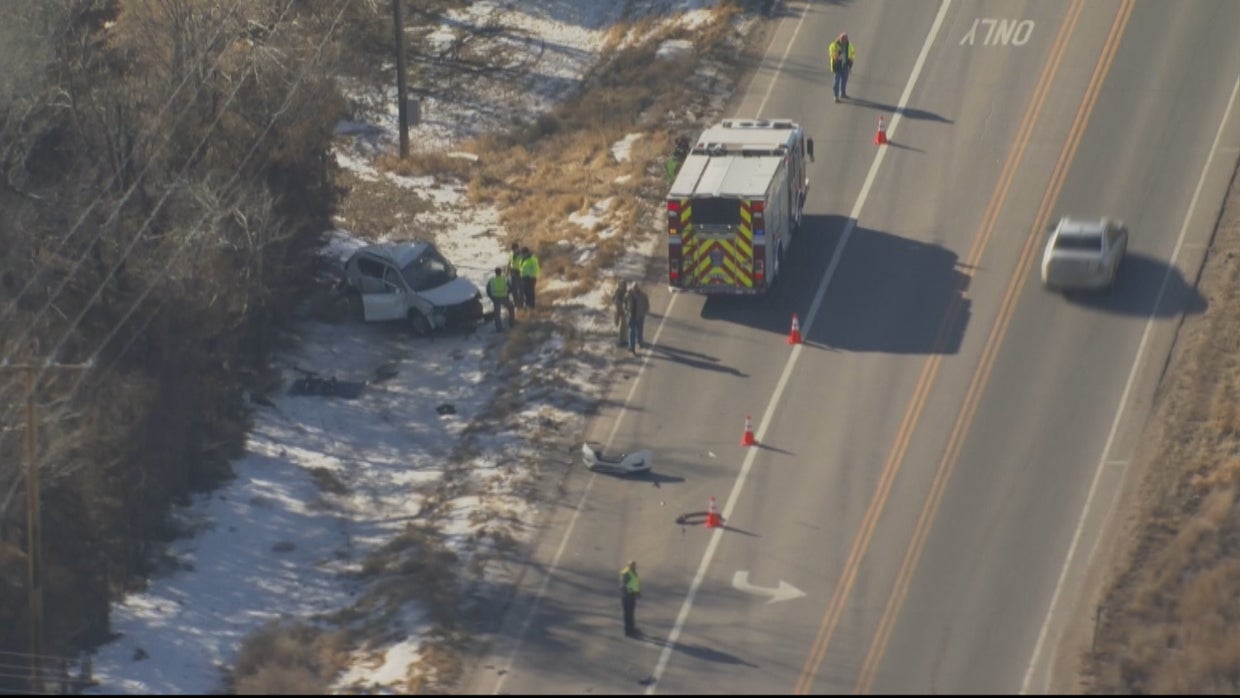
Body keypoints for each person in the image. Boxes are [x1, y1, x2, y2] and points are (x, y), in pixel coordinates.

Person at [828, 32, 856, 103]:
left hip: (845, 66)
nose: (844, 41)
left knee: (844, 81)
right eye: (842, 39)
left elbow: (852, 53)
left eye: (845, 39)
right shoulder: (834, 45)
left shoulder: (849, 45)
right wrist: (838, 53)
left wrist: (851, 61)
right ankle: (836, 96)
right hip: (837, 67)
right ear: (839, 38)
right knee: (836, 82)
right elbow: (832, 55)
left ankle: (843, 93)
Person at [486, 266, 515, 331]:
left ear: (495, 272)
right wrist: (507, 294)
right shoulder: (505, 279)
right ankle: (512, 323)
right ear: (501, 272)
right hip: (504, 298)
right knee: (511, 308)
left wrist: (492, 297)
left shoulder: (492, 280)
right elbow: (511, 288)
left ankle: (499, 328)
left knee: (497, 314)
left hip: (496, 299)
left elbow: (488, 290)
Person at [625, 284, 650, 354]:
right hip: (631, 316)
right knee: (631, 331)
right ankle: (631, 346)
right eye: (634, 288)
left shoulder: (643, 295)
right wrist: (626, 311)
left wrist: (645, 312)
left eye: (636, 288)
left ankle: (639, 341)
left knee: (639, 330)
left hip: (640, 316)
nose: (635, 290)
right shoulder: (628, 295)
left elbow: (647, 304)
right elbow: (624, 303)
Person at [620, 560, 641, 637]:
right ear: (628, 566)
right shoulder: (626, 573)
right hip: (627, 597)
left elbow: (635, 583)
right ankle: (628, 631)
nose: (634, 567)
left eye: (634, 565)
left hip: (632, 596)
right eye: (632, 565)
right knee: (628, 614)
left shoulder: (633, 572)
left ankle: (632, 628)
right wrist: (633, 592)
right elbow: (625, 585)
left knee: (631, 613)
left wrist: (638, 592)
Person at [519, 246, 540, 310]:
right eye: (522, 253)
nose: (522, 255)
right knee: (525, 292)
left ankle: (531, 306)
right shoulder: (522, 259)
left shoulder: (532, 259)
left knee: (530, 292)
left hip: (530, 279)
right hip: (523, 278)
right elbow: (522, 268)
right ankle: (527, 305)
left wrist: (530, 276)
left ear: (527, 253)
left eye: (523, 253)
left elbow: (536, 269)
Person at [508, 242, 526, 308]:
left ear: (517, 248)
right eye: (512, 249)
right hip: (513, 273)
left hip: (520, 273)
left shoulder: (521, 255)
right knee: (514, 289)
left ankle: (521, 303)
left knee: (521, 289)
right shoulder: (511, 254)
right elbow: (509, 263)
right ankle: (516, 303)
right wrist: (507, 271)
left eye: (514, 249)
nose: (513, 250)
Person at [612, 280, 630, 347]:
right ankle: (621, 340)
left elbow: (613, 299)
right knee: (621, 325)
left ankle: (622, 339)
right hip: (620, 310)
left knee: (623, 326)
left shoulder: (622, 292)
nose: (624, 286)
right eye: (623, 285)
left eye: (625, 285)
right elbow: (616, 300)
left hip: (622, 310)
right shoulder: (619, 293)